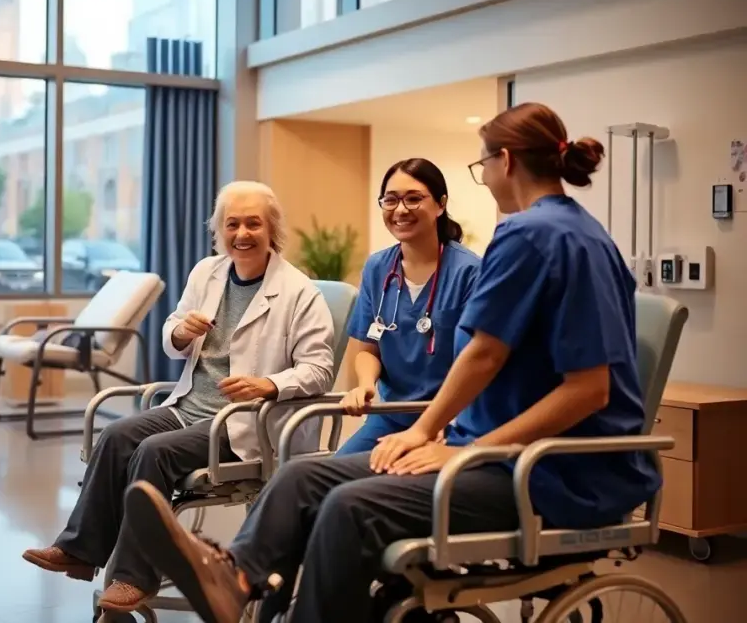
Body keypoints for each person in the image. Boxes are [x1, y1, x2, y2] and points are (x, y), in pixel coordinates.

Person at [121, 102, 662, 623]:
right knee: (302, 478)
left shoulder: (528, 235)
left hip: (542, 473)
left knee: (348, 506)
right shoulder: (579, 232)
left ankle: (264, 591)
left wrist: (450, 443)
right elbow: (464, 354)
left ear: (506, 161)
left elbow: (509, 363)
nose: (486, 176)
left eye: (482, 164)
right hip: (486, 449)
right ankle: (238, 580)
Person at [21, 180, 336, 614]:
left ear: (272, 230)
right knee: (115, 437)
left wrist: (270, 385)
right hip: (187, 406)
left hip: (242, 424)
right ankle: (79, 549)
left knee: (154, 452)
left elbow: (319, 369)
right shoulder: (206, 273)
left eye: (253, 224)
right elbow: (173, 333)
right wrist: (181, 332)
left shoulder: (300, 293)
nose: (242, 234)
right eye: (232, 224)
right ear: (218, 231)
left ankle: (135, 578)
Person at [338, 158, 481, 454]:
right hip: (390, 418)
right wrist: (365, 384)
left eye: (414, 199)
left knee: (376, 487)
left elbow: (479, 362)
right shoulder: (378, 268)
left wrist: (448, 420)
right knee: (326, 474)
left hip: (449, 420)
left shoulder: (469, 272)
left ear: (440, 204)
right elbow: (367, 348)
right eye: (390, 200)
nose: (400, 210)